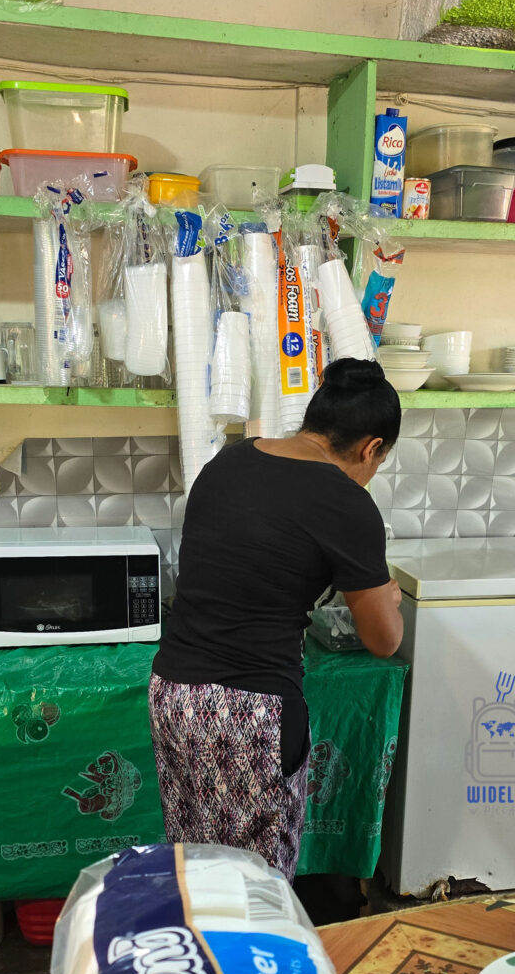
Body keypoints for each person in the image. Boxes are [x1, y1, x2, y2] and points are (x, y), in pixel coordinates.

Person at [148, 357, 404, 881]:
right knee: (255, 886)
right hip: (248, 714)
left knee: (195, 869)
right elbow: (383, 639)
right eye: (378, 462)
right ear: (371, 448)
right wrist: (390, 598)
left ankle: (194, 938)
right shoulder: (347, 503)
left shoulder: (229, 462)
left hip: (173, 693)